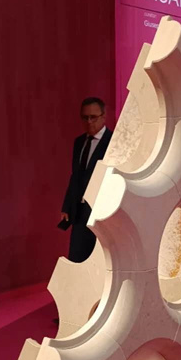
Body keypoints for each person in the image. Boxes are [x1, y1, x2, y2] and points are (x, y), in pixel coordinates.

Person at [61, 97, 112, 263]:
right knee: (77, 257)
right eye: (85, 117)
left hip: (101, 212)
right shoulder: (79, 143)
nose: (89, 122)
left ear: (103, 117)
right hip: (79, 211)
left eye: (93, 117)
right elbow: (75, 176)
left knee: (100, 261)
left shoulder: (113, 142)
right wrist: (67, 206)